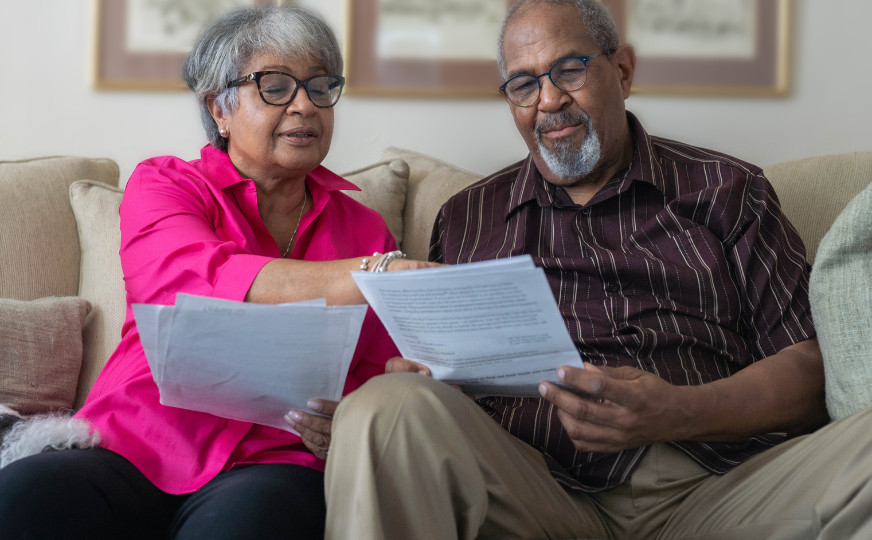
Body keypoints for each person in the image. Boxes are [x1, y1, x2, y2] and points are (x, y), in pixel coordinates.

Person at [321, 1, 872, 539]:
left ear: (623, 71)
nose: (549, 100)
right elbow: (441, 378)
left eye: (570, 69)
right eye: (524, 84)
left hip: (722, 484)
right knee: (384, 408)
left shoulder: (729, 190)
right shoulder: (468, 219)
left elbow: (806, 365)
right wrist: (420, 386)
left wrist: (677, 412)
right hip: (536, 488)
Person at [0, 6, 435, 540]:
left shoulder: (366, 229)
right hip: (133, 444)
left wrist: (354, 419)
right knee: (24, 497)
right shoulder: (166, 185)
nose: (306, 104)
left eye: (321, 86)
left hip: (275, 460)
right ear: (220, 108)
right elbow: (190, 285)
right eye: (276, 86)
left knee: (253, 524)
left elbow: (377, 370)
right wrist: (371, 275)